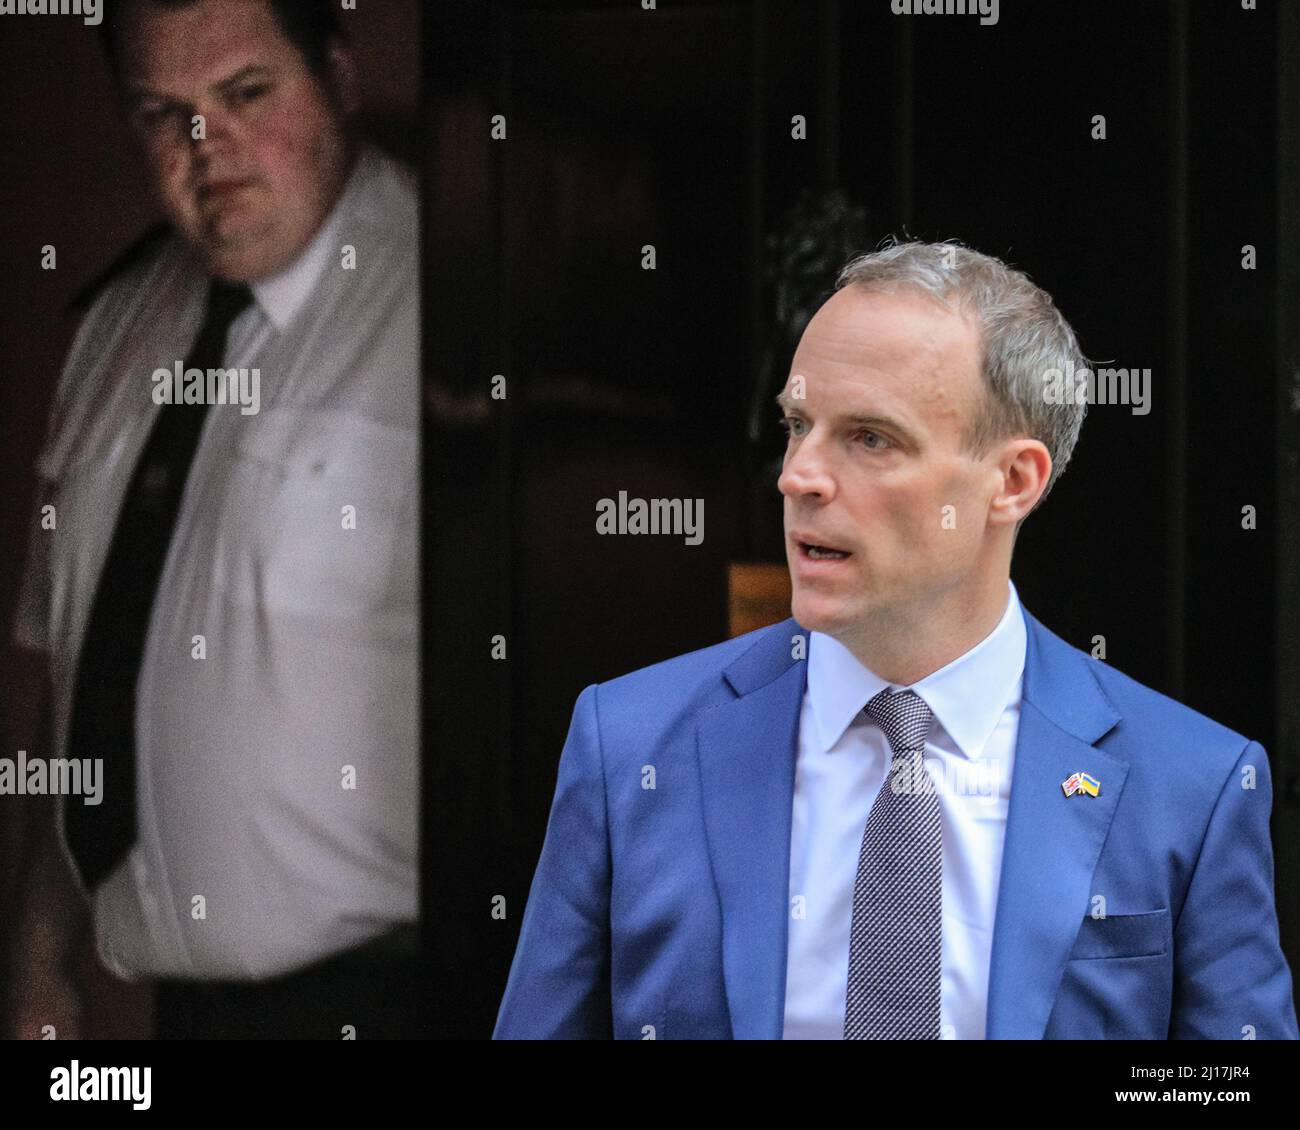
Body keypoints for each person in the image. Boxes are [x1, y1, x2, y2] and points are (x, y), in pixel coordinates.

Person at [493, 239, 1299, 1040]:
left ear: (1013, 481)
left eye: (870, 438)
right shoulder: (630, 744)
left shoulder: (1190, 785)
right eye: (797, 425)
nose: (798, 476)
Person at [4, 0, 419, 1039]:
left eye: (244, 95)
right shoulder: (112, 327)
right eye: (161, 113)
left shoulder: (444, 304)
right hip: (182, 1011)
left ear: (337, 72)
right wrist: (38, 948)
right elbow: (82, 674)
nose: (204, 150)